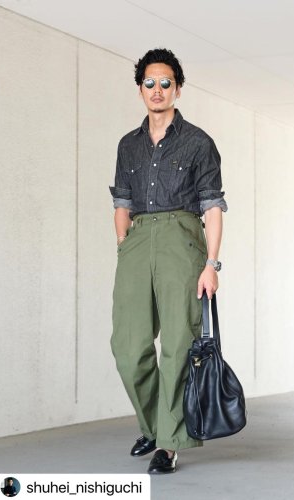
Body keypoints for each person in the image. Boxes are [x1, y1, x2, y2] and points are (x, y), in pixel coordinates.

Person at [109, 48, 228, 474]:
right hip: (138, 241)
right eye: (149, 83)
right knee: (128, 348)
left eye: (165, 83)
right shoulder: (128, 145)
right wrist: (124, 245)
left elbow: (212, 206)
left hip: (182, 239)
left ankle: (169, 443)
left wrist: (211, 265)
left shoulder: (198, 142)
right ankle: (154, 424)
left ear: (177, 88)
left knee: (178, 345)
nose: (157, 90)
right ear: (140, 88)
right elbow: (122, 202)